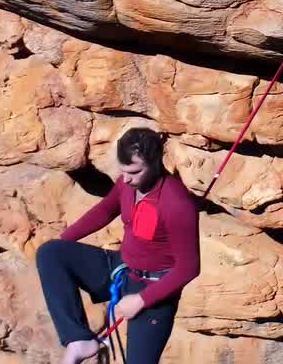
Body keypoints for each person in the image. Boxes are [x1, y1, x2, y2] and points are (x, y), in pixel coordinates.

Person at [36, 128, 200, 364]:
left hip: (153, 288)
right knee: (51, 253)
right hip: (121, 268)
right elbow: (105, 210)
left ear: (155, 163)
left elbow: (188, 268)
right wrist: (64, 240)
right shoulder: (128, 184)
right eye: (123, 171)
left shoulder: (176, 203)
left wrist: (140, 301)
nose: (126, 179)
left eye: (134, 172)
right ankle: (78, 339)